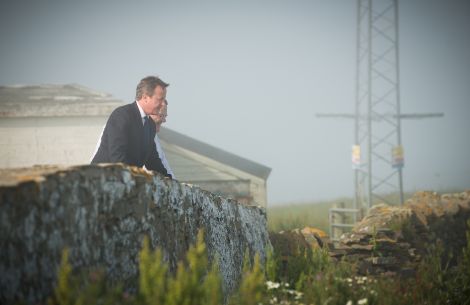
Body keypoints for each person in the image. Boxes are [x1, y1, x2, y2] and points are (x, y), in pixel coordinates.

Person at [91, 76, 170, 177]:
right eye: (160, 99)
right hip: (102, 181)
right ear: (145, 97)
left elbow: (153, 161)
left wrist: (171, 181)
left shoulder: (150, 125)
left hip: (126, 182)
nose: (163, 104)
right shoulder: (122, 115)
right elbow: (117, 156)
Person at [149, 99, 176, 179]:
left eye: (165, 116)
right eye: (161, 115)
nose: (164, 120)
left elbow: (164, 164)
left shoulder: (154, 137)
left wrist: (174, 182)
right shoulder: (140, 133)